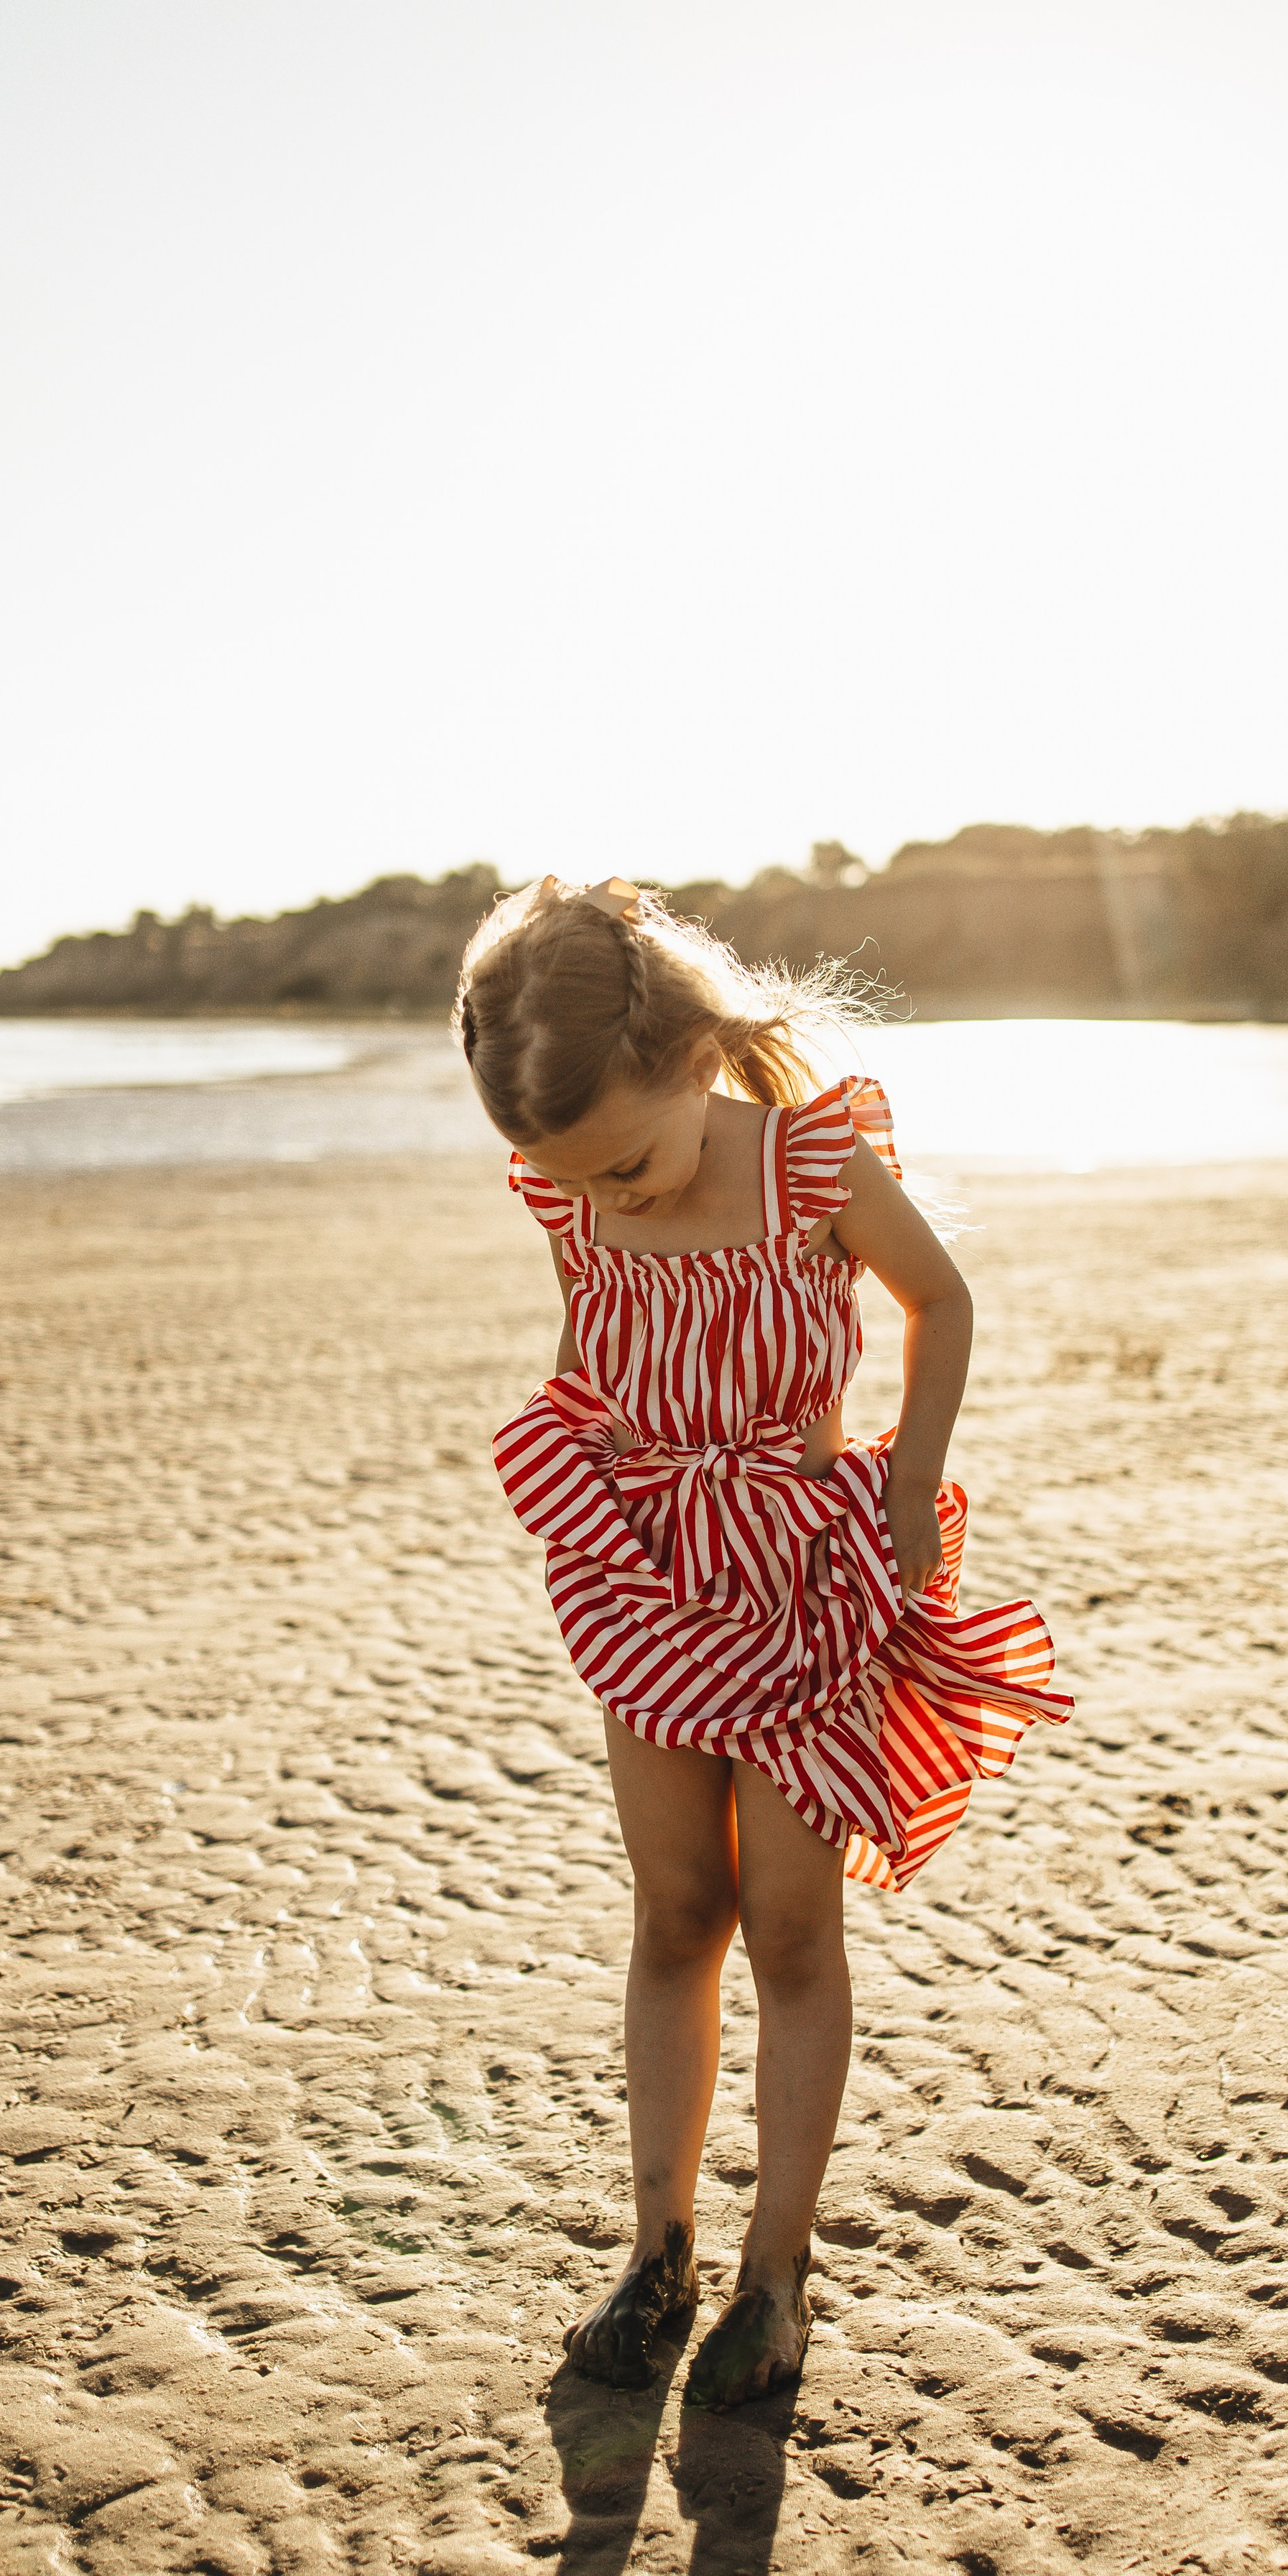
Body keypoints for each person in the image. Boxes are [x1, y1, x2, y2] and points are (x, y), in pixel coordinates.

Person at [455, 874, 1072, 2410]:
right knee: (675, 1910)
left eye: (634, 1166)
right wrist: (585, 1506)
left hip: (803, 1582)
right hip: (646, 1579)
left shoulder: (808, 1157)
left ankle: (773, 2275)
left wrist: (913, 1489)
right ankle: (653, 2246)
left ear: (683, 1057)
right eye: (580, 1183)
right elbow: (588, 1350)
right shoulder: (573, 1183)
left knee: (791, 1928)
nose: (619, 1202)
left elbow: (940, 1298)